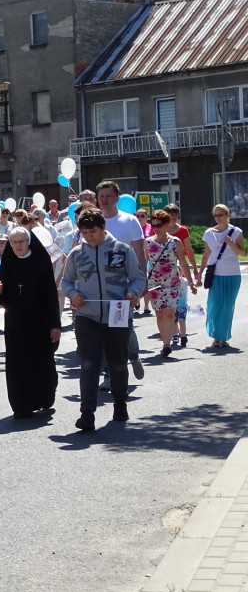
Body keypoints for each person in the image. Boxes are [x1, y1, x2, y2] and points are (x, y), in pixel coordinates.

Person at [61, 208, 146, 432]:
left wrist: (133, 294)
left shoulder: (122, 250)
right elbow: (66, 282)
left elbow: (137, 278)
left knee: (118, 362)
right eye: (84, 232)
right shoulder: (77, 254)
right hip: (87, 317)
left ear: (103, 228)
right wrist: (73, 295)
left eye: (93, 231)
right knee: (89, 364)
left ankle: (120, 404)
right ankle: (87, 414)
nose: (88, 236)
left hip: (117, 314)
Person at [0, 228, 61, 418]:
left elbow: (50, 294)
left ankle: (45, 396)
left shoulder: (40, 260)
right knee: (17, 364)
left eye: (21, 241)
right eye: (14, 242)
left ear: (29, 241)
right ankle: (21, 404)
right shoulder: (8, 261)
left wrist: (55, 323)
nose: (18, 246)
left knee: (42, 360)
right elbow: (4, 299)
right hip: (15, 323)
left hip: (40, 321)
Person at [97, 181, 146, 380]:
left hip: (121, 286)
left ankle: (133, 357)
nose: (104, 200)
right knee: (102, 332)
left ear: (117, 198)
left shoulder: (129, 221)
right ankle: (108, 373)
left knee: (123, 327)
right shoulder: (94, 221)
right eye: (101, 196)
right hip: (97, 287)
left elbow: (140, 253)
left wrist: (141, 282)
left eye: (108, 196)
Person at [145, 210, 197, 357]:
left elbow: (183, 262)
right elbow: (145, 264)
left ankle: (167, 345)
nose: (155, 228)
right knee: (160, 314)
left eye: (159, 225)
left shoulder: (175, 242)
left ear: (167, 224)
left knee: (169, 312)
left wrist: (191, 283)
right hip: (154, 282)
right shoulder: (147, 242)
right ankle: (165, 342)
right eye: (153, 225)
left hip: (172, 282)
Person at [199, 204, 245, 348]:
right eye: (215, 215)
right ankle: (215, 334)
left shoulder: (236, 231)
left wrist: (230, 243)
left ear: (227, 215)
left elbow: (242, 253)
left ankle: (222, 337)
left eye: (221, 215)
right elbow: (206, 254)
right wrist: (199, 273)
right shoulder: (209, 233)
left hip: (232, 273)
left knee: (227, 306)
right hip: (215, 274)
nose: (218, 218)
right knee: (214, 305)